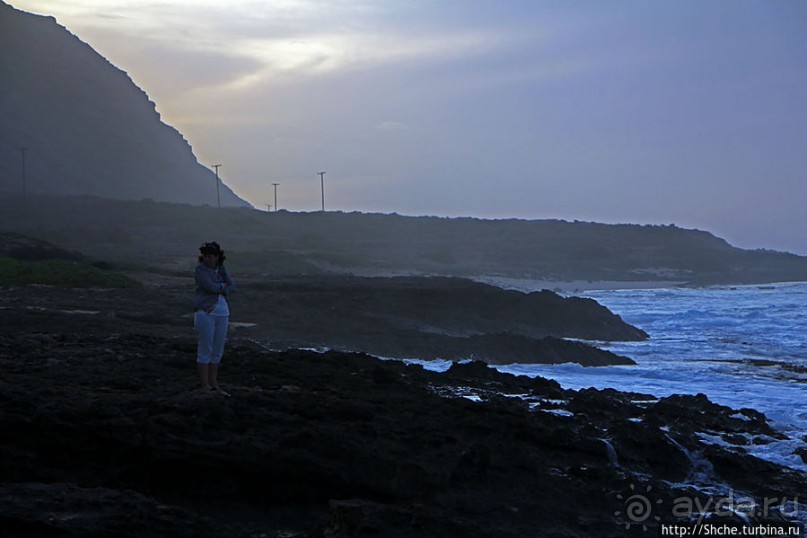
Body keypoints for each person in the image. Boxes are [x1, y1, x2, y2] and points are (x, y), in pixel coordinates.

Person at [194, 241, 236, 395]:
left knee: (218, 349)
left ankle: (214, 383)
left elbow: (233, 286)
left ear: (217, 257)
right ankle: (205, 384)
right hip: (206, 312)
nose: (207, 259)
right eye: (205, 256)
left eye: (210, 256)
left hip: (223, 312)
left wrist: (221, 286)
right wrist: (222, 286)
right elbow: (209, 286)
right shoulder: (200, 270)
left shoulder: (222, 269)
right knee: (205, 348)